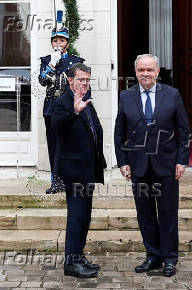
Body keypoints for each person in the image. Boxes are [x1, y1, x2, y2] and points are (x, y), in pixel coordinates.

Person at [114, 54, 190, 277]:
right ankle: (153, 256)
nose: (145, 74)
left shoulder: (172, 94)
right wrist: (123, 162)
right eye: (141, 70)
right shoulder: (126, 96)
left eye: (149, 70)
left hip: (166, 164)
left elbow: (184, 130)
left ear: (157, 72)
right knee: (145, 213)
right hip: (138, 165)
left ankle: (169, 258)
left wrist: (182, 160)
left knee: (167, 213)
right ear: (135, 72)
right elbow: (120, 132)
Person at [50, 63, 106, 278]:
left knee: (84, 215)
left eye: (87, 80)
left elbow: (93, 131)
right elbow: (56, 126)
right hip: (73, 170)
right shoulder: (64, 100)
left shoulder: (85, 100)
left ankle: (78, 256)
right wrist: (73, 112)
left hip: (87, 168)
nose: (85, 83)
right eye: (81, 79)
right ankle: (71, 263)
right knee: (76, 216)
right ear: (70, 80)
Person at [38, 26, 85, 194]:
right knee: (54, 145)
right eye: (55, 40)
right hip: (52, 107)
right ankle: (56, 181)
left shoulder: (76, 60)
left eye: (62, 40)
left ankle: (72, 180)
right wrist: (52, 63)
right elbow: (43, 81)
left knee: (72, 143)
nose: (58, 43)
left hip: (69, 106)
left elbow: (82, 83)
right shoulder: (46, 60)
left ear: (67, 43)